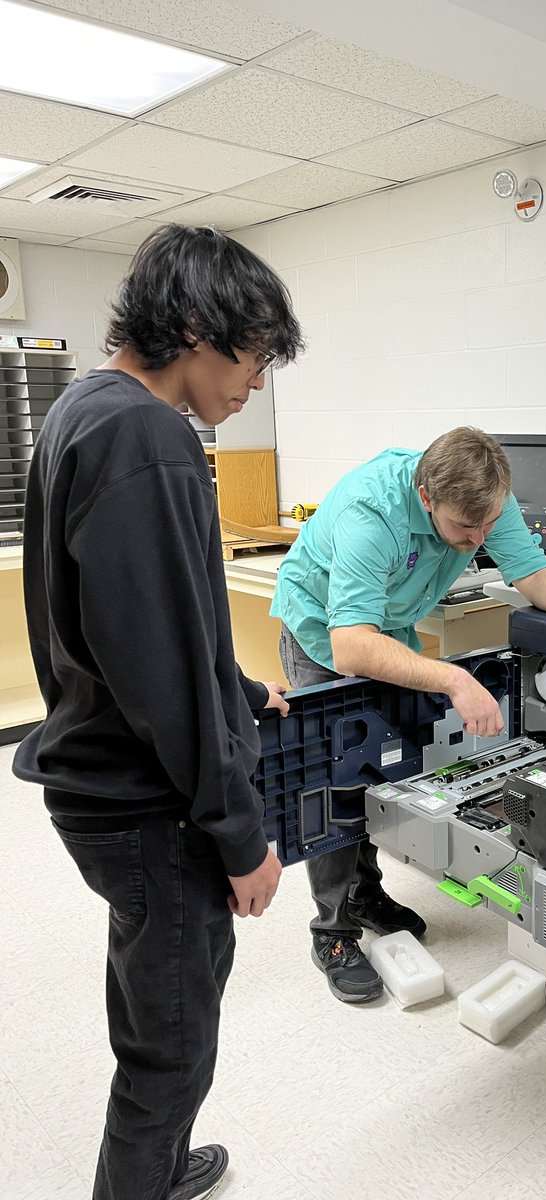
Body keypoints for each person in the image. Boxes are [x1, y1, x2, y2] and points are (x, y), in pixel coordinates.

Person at [12, 224, 304, 1200]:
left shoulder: (81, 413)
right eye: (253, 357)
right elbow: (166, 671)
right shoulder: (153, 438)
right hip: (153, 807)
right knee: (169, 1050)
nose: (255, 385)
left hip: (101, 784)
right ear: (193, 323)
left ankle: (164, 1160)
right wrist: (239, 837)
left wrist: (239, 688)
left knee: (152, 991)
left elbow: (144, 624)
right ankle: (146, 1172)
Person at [271, 427, 546, 1002]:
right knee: (334, 790)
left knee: (381, 773)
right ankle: (332, 931)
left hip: (389, 631)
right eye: (464, 529)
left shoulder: (481, 499)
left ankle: (365, 892)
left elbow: (531, 574)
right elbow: (351, 643)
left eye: (487, 526)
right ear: (426, 497)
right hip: (323, 639)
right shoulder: (370, 515)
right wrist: (455, 679)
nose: (477, 540)